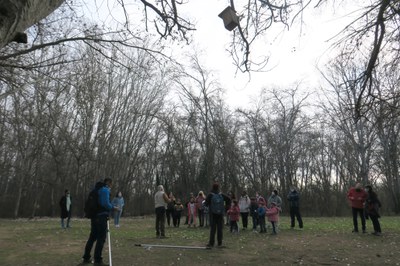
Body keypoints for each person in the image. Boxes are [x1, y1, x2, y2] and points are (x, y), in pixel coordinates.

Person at [82, 178, 118, 266]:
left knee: (92, 237)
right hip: (101, 217)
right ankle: (97, 260)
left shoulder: (95, 190)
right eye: (111, 184)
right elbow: (105, 203)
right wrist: (113, 208)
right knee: (101, 238)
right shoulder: (104, 190)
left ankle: (86, 257)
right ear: (108, 183)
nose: (111, 187)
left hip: (94, 217)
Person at [204, 182, 230, 248]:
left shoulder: (210, 195)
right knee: (220, 229)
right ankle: (219, 243)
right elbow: (229, 199)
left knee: (213, 229)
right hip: (220, 214)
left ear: (212, 187)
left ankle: (211, 243)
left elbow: (206, 204)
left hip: (212, 214)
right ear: (218, 187)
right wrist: (226, 208)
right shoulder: (221, 194)